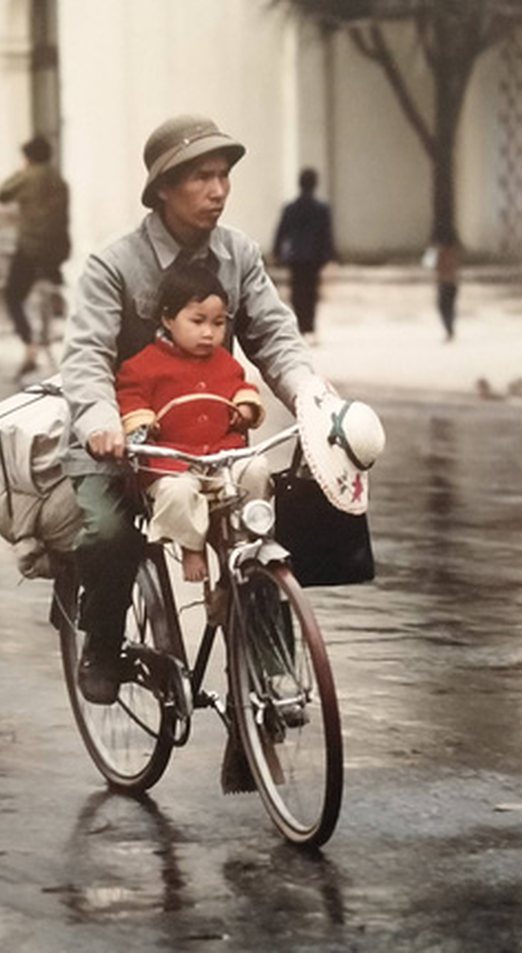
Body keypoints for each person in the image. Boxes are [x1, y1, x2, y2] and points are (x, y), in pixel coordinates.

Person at [61, 113, 314, 706]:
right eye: (201, 176)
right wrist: (101, 425)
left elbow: (274, 336)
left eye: (224, 175)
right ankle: (101, 643)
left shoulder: (239, 254)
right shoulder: (113, 265)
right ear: (164, 188)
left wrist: (310, 397)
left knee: (260, 523)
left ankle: (271, 655)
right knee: (108, 534)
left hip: (206, 441)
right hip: (127, 441)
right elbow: (86, 358)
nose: (219, 190)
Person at [116, 263, 268, 583]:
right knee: (176, 492)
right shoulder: (143, 366)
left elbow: (241, 385)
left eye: (218, 323)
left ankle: (250, 531)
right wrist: (143, 422)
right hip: (172, 462)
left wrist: (245, 407)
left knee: (256, 468)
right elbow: (131, 397)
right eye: (197, 321)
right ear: (168, 319)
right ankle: (191, 545)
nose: (208, 333)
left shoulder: (224, 362)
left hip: (220, 458)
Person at [0, 134, 70, 379]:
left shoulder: (27, 176)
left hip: (31, 248)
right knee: (57, 287)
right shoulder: (59, 179)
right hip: (58, 249)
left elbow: (2, 193)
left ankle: (30, 347)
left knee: (12, 295)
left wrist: (22, 170)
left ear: (27, 157)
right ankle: (58, 319)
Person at [272, 167, 336, 341]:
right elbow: (326, 234)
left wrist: (277, 251)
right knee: (311, 292)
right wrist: (330, 255)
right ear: (315, 184)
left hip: (296, 256)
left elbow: (281, 231)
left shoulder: (291, 208)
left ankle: (300, 325)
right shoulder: (322, 209)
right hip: (314, 256)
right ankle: (310, 326)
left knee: (297, 292)